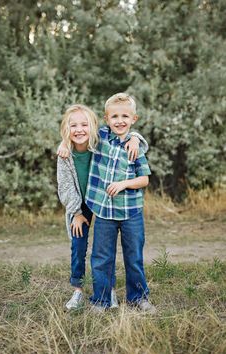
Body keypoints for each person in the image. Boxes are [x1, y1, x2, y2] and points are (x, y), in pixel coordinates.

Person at [57, 103, 146, 310]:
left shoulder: (100, 142)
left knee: (104, 247)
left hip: (102, 200)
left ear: (94, 127)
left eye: (84, 125)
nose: (79, 130)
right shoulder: (65, 154)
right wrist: (77, 213)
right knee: (78, 244)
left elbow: (124, 132)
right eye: (73, 126)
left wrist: (135, 138)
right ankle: (78, 289)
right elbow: (65, 187)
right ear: (66, 129)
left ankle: (110, 290)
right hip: (79, 204)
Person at [85, 93, 156, 313]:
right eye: (114, 116)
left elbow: (144, 179)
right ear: (106, 119)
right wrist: (64, 145)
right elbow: (78, 133)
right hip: (104, 211)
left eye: (125, 116)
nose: (120, 120)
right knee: (101, 258)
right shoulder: (101, 138)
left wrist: (124, 183)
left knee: (133, 257)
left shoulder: (135, 147)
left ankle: (138, 297)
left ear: (134, 119)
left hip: (130, 212)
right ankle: (102, 299)